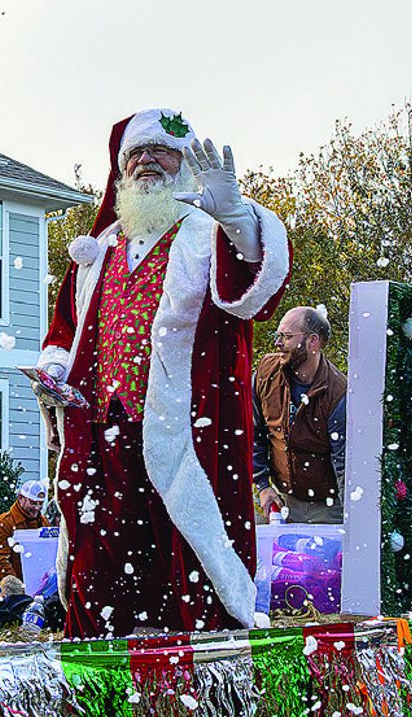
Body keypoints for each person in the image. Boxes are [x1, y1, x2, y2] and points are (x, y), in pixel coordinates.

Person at [38, 109, 290, 637]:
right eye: (136, 154)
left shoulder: (204, 231)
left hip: (186, 424)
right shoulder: (97, 249)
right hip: (103, 423)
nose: (147, 161)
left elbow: (254, 294)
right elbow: (66, 327)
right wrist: (55, 366)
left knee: (186, 537)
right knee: (102, 537)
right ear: (121, 171)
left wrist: (238, 219)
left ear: (183, 166)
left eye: (162, 152)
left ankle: (195, 652)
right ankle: (103, 644)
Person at [252, 306, 347, 524]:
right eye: (278, 336)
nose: (278, 343)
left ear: (312, 341)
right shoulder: (266, 374)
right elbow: (253, 432)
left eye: (286, 337)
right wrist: (263, 486)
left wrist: (350, 518)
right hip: (282, 500)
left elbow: (342, 462)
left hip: (328, 507)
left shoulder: (337, 391)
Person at [0, 479, 49, 594]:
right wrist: (18, 590)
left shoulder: (44, 523)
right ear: (20, 498)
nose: (37, 507)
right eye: (33, 502)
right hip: (13, 595)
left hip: (41, 590)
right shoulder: (2, 524)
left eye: (40, 503)